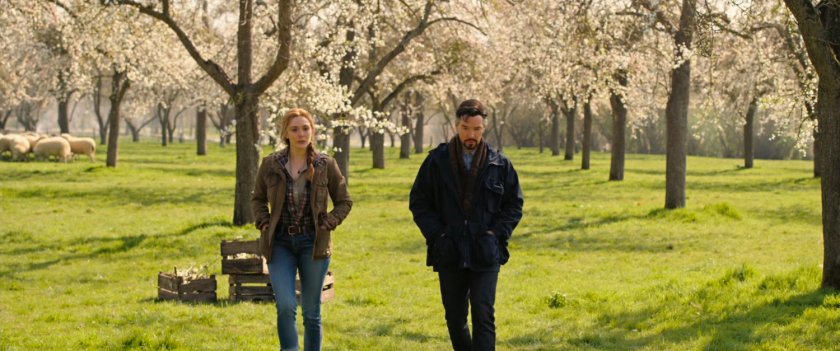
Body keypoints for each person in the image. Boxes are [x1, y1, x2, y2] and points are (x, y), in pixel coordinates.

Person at [409, 99, 524, 350]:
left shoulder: (500, 164)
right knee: (455, 318)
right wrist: (438, 235)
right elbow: (419, 202)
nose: (471, 135)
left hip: (486, 251)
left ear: (484, 128)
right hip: (449, 251)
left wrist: (495, 234)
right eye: (465, 128)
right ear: (456, 126)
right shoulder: (436, 161)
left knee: (484, 316)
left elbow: (514, 205)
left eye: (477, 129)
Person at [252, 108, 352, 351]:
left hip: (313, 244)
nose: (301, 134)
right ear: (285, 133)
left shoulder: (326, 164)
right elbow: (258, 199)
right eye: (295, 129)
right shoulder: (271, 164)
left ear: (312, 131)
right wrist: (264, 221)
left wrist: (329, 222)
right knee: (286, 306)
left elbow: (344, 201)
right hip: (280, 243)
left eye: (305, 128)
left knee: (311, 311)